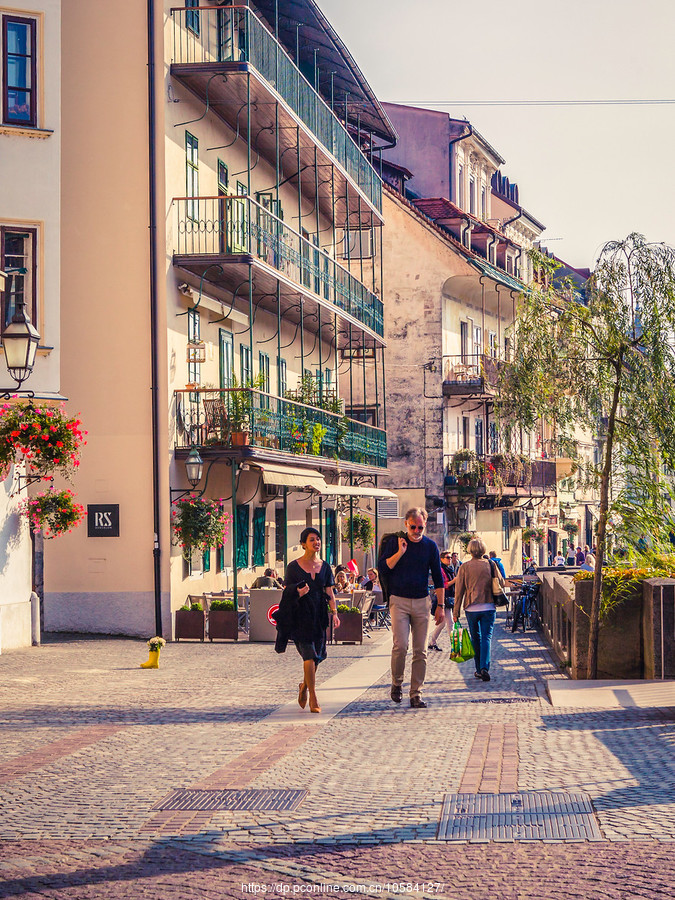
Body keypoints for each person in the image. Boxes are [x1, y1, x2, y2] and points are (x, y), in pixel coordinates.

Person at [378, 507, 444, 709]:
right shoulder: (394, 543)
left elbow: (439, 578)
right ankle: (397, 683)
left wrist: (440, 606)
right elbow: (384, 567)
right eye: (413, 526)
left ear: (425, 525)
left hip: (422, 601)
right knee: (400, 645)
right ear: (406, 524)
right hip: (399, 600)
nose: (417, 531)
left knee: (420, 651)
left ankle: (416, 693)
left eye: (421, 527)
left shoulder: (430, 547)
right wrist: (400, 552)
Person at [274, 527, 339, 714]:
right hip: (300, 615)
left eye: (318, 539)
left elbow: (330, 593)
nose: (316, 542)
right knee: (309, 655)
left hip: (319, 616)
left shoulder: (326, 567)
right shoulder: (293, 567)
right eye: (312, 539)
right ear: (303, 544)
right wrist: (297, 591)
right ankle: (313, 696)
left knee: (316, 658)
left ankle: (304, 686)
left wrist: (334, 613)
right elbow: (286, 590)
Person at [453, 536, 497, 683]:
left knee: (475, 638)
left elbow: (458, 591)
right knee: (487, 637)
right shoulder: (490, 564)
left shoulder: (464, 567)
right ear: (483, 550)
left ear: (470, 550)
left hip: (471, 607)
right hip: (488, 605)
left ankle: (478, 670)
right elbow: (501, 582)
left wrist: (455, 612)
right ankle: (484, 667)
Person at [428, 550, 461, 651]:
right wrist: (454, 581)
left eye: (451, 557)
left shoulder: (449, 569)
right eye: (448, 557)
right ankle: (455, 647)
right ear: (441, 559)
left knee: (442, 624)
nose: (450, 559)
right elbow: (443, 585)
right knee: (450, 623)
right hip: (443, 599)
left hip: (449, 598)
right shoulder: (441, 570)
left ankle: (432, 642)